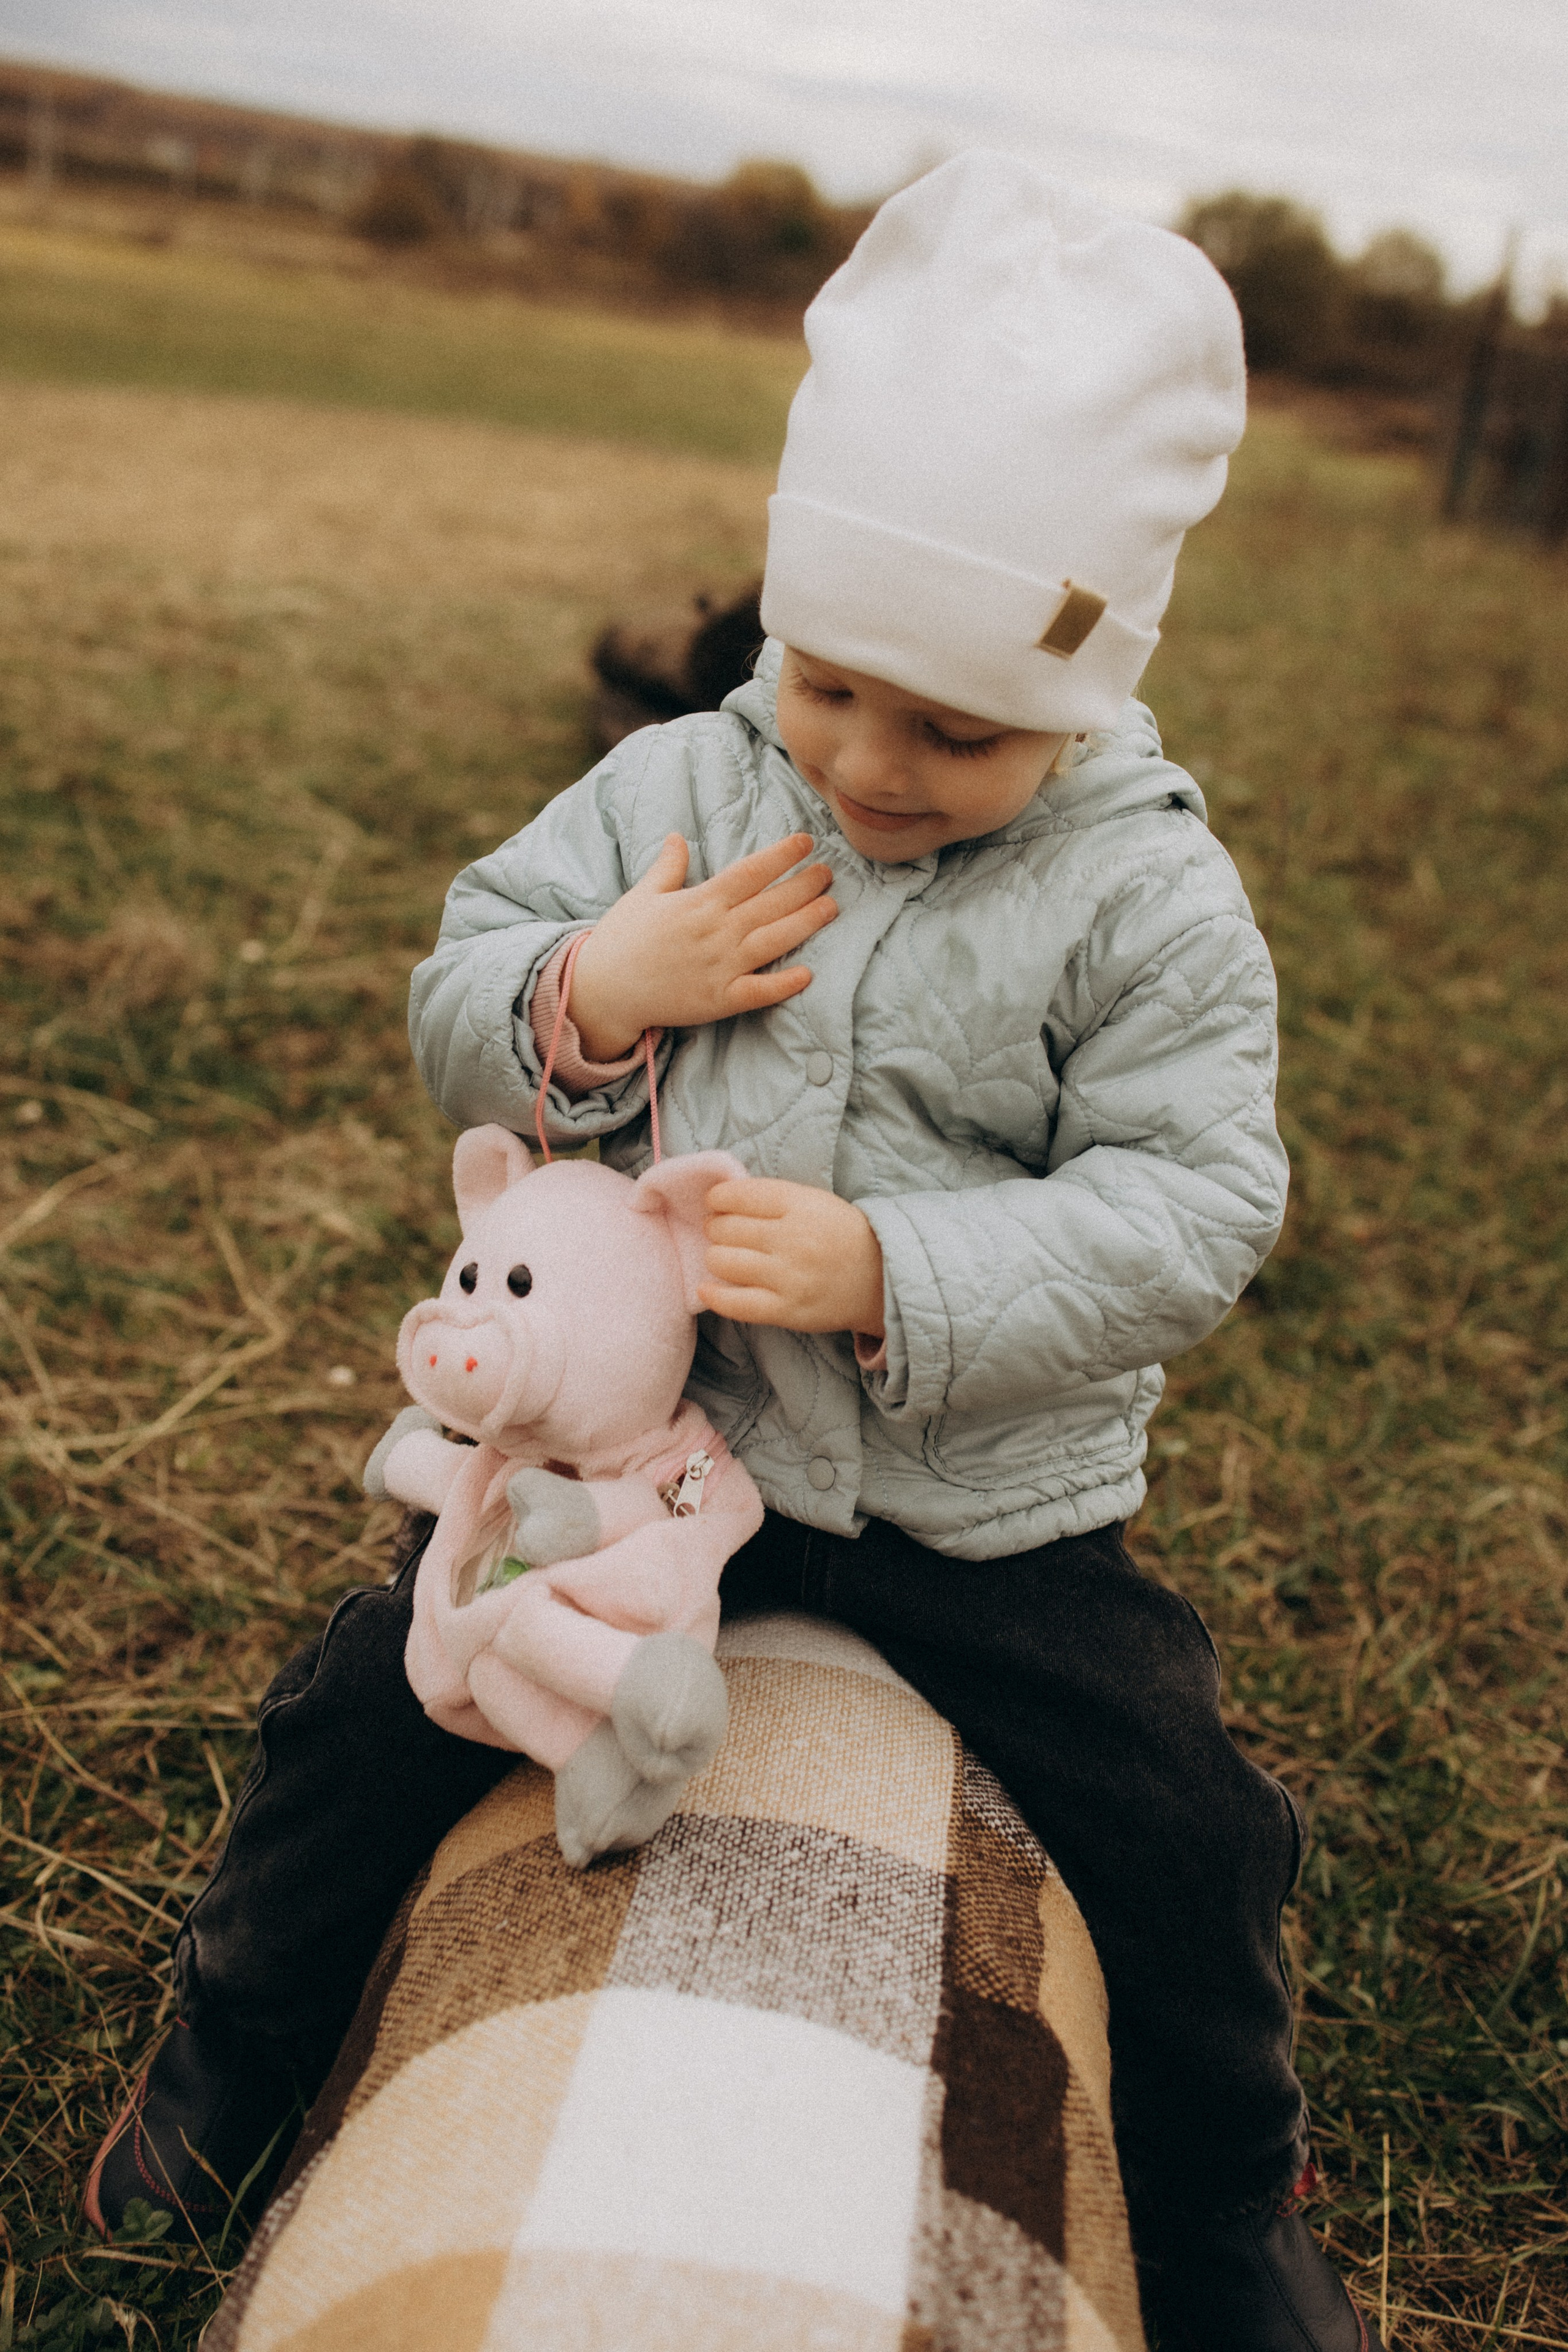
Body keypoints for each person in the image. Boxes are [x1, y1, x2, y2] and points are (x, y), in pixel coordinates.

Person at [86, 153, 1378, 2351]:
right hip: (643, 1462)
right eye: (832, 683)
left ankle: (1226, 2202)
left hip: (981, 1515)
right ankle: (232, 2049)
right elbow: (455, 990)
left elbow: (1194, 1208)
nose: (869, 766)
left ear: (1086, 681)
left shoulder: (1149, 902)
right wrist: (596, 981)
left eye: (956, 730)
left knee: (1187, 1828)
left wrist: (897, 1271)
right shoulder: (683, 781)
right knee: (363, 1705)